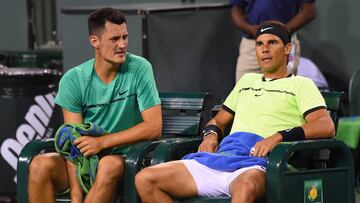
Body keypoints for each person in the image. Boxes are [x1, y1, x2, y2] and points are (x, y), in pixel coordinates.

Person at [135, 21, 335, 203]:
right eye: (259, 44)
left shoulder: (301, 84)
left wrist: (279, 136)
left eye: (272, 43)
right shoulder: (247, 81)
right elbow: (218, 122)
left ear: (287, 49)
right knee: (146, 179)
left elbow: (325, 126)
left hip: (257, 163)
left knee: (245, 188)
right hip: (219, 158)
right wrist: (210, 136)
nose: (264, 49)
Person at [28, 7, 162, 203]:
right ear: (94, 41)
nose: (122, 44)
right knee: (40, 164)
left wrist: (102, 142)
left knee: (108, 164)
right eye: (114, 39)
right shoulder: (73, 80)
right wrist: (76, 196)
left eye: (125, 37)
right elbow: (73, 143)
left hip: (128, 159)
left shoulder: (140, 68)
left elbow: (153, 127)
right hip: (86, 161)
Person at [231, 0, 317, 82]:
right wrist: (249, 29)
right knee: (244, 89)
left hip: (283, 41)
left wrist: (282, 31)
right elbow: (236, 10)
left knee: (283, 89)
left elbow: (309, 11)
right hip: (251, 42)